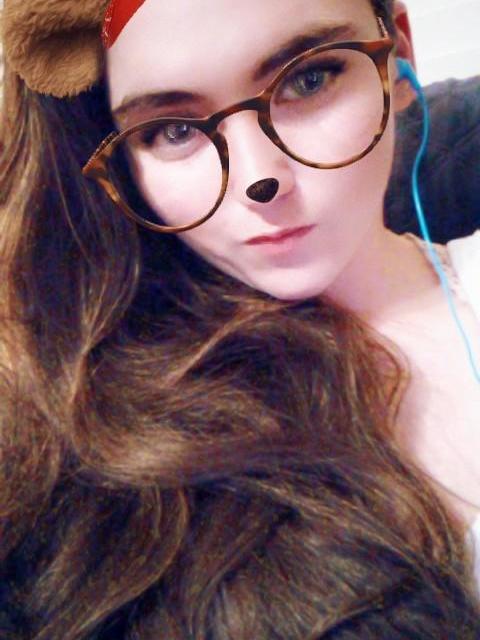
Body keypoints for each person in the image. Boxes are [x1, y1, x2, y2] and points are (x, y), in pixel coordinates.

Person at [0, 0, 479, 638]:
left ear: (399, 53)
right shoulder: (84, 428)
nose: (259, 180)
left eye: (308, 79)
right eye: (173, 130)